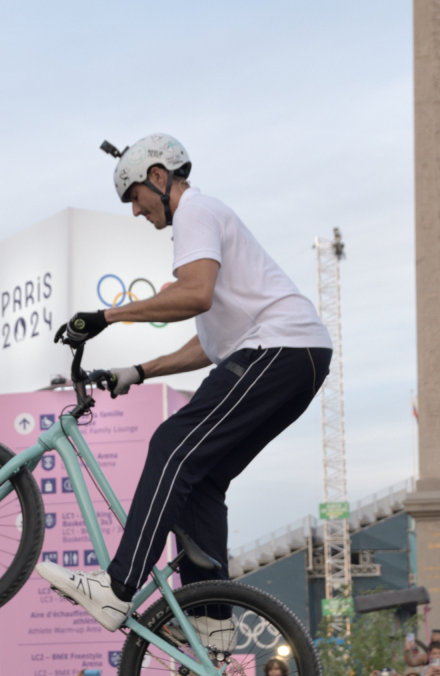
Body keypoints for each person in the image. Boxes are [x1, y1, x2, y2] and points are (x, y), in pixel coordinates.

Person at [33, 133, 333, 640]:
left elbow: (194, 295)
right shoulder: (209, 225)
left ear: (158, 177)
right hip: (294, 357)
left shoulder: (196, 211)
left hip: (280, 350)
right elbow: (209, 347)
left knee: (171, 445)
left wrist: (105, 316)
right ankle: (211, 620)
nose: (135, 210)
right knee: (203, 478)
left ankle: (118, 588)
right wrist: (139, 370)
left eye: (133, 196)